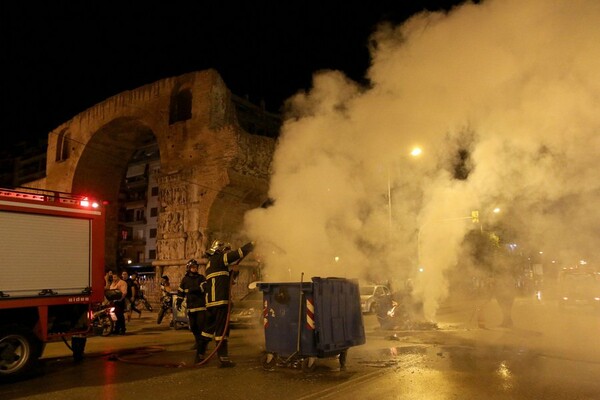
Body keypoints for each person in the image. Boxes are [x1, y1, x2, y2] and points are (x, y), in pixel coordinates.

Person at [197, 239, 255, 367]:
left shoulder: (211, 264)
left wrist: (234, 272)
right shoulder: (219, 259)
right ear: (219, 250)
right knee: (222, 330)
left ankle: (199, 355)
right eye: (225, 251)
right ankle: (223, 359)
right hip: (220, 302)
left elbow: (225, 280)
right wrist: (252, 244)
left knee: (207, 330)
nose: (226, 253)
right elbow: (238, 253)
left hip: (211, 303)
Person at [176, 259, 207, 363]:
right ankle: (198, 342)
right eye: (193, 267)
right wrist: (178, 302)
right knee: (193, 327)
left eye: (195, 267)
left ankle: (201, 347)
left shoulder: (201, 278)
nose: (195, 268)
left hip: (201, 307)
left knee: (201, 326)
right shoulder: (185, 279)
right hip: (191, 307)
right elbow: (181, 292)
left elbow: (205, 287)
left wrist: (194, 289)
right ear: (189, 268)